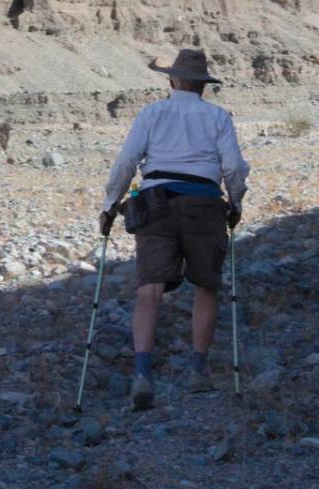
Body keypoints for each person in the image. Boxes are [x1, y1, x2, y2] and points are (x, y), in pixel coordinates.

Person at [99, 48, 249, 409]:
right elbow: (234, 167)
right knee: (206, 285)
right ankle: (198, 371)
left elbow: (127, 162)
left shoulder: (152, 113)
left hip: (155, 202)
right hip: (205, 204)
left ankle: (142, 375)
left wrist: (109, 205)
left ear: (172, 81)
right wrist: (236, 202)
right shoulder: (217, 116)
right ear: (203, 86)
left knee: (149, 290)